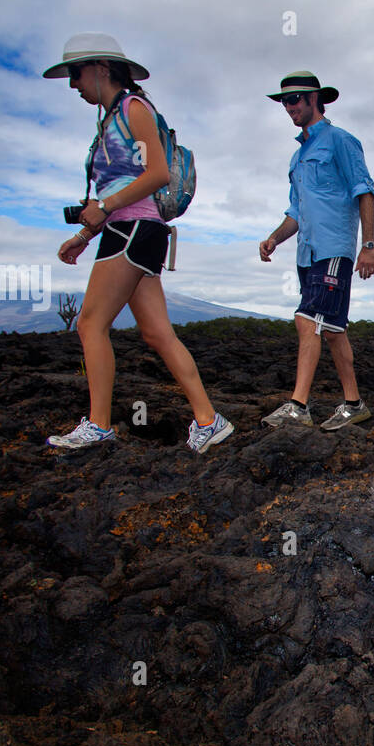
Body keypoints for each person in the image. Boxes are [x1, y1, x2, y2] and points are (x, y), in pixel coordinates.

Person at [43, 33, 231, 453]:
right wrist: (84, 234)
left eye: (75, 73)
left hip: (131, 231)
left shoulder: (132, 108)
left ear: (101, 69)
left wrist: (104, 208)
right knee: (158, 333)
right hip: (132, 232)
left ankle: (99, 425)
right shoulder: (108, 120)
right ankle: (209, 420)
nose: (73, 84)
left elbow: (158, 174)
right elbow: (120, 188)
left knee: (90, 323)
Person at [258, 71, 374, 431]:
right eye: (284, 101)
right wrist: (275, 238)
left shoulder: (341, 141)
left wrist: (368, 246)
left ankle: (298, 406)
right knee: (333, 329)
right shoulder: (297, 157)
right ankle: (354, 404)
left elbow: (364, 191)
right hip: (307, 254)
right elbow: (295, 211)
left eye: (295, 99)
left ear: (314, 99)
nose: (289, 107)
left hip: (335, 248)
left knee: (307, 319)